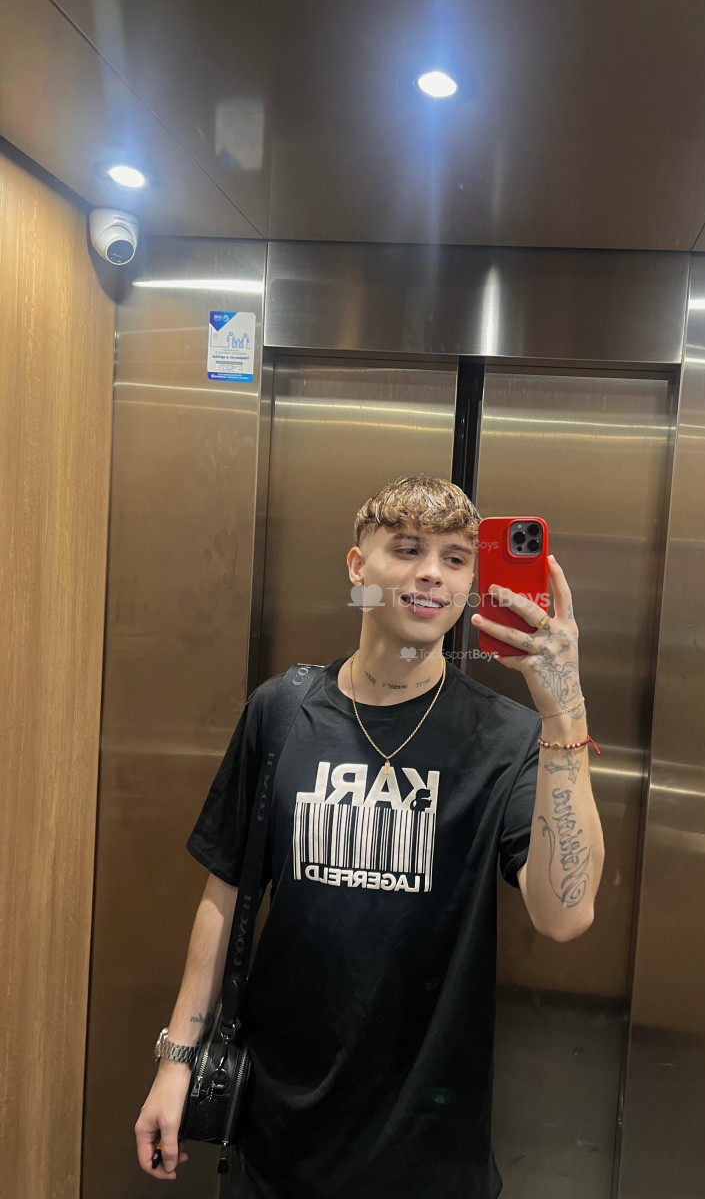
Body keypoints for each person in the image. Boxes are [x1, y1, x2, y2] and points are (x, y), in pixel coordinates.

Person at [134, 473, 605, 1198]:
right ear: (359, 566)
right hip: (277, 1137)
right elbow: (225, 891)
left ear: (471, 583)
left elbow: (565, 914)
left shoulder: (508, 738)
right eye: (407, 549)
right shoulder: (282, 711)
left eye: (455, 558)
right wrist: (178, 1060)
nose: (432, 573)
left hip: (429, 1150)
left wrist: (563, 710)